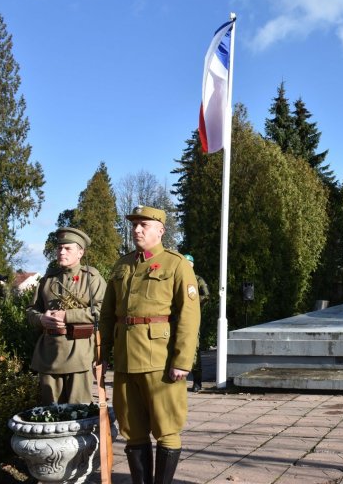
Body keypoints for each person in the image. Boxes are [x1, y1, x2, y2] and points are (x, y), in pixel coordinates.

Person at [100, 205, 200, 484]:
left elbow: (189, 316)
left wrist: (182, 360)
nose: (137, 229)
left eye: (144, 225)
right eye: (134, 225)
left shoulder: (175, 264)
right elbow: (108, 315)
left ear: (161, 230)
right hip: (124, 359)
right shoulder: (122, 265)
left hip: (160, 359)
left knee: (166, 427)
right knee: (133, 430)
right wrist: (102, 354)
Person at [27, 227, 106, 404]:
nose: (61, 252)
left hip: (79, 352)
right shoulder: (47, 279)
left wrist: (66, 316)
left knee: (78, 413)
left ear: (80, 252)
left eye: (68, 248)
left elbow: (103, 312)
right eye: (59, 248)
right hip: (49, 354)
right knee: (50, 413)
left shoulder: (91, 278)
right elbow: (31, 311)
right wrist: (41, 319)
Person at [183, 254, 210, 392]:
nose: (186, 264)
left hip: (192, 316)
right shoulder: (178, 277)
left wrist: (192, 301)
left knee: (194, 348)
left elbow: (206, 295)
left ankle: (197, 382)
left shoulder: (197, 279)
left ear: (192, 264)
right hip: (177, 317)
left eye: (189, 262)